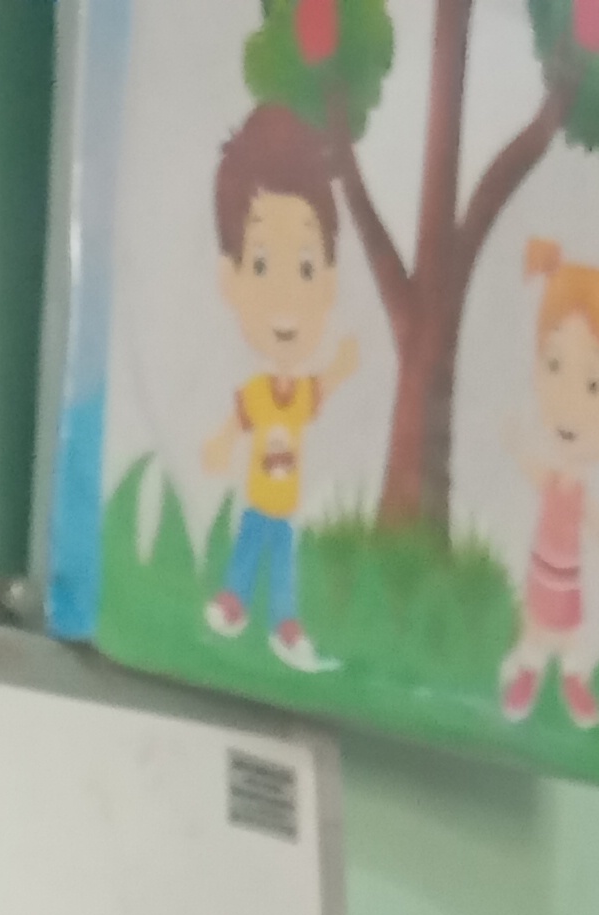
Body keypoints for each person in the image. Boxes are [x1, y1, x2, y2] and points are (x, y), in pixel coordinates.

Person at [200, 102, 358, 677]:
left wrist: (340, 367)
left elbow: (321, 391)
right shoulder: (261, 393)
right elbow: (239, 420)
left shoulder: (297, 395)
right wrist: (221, 442)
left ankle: (285, 622)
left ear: (329, 282)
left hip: (286, 506)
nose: (288, 296)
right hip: (258, 502)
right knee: (248, 550)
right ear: (232, 279)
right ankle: (232, 600)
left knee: (283, 564)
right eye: (263, 264)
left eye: (307, 266)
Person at [500, 240, 599, 729]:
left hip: (567, 575)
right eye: (553, 365)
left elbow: (596, 520)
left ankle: (571, 681)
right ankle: (527, 676)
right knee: (536, 629)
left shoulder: (577, 490)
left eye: (593, 384)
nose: (568, 402)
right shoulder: (553, 479)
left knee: (567, 633)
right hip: (543, 570)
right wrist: (515, 445)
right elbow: (531, 470)